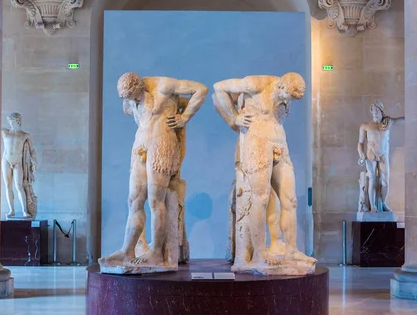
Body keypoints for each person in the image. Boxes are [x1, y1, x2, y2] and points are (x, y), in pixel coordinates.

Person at [101, 72, 207, 268]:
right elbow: (132, 111)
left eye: (134, 96)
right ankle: (127, 250)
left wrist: (184, 117)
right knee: (134, 200)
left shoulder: (164, 85)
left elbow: (201, 89)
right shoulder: (130, 100)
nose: (133, 101)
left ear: (140, 86)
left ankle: (157, 252)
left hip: (162, 144)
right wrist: (130, 102)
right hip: (140, 146)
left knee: (156, 200)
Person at [213, 73, 315, 269]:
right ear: (281, 87)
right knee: (260, 198)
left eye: (291, 100)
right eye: (286, 97)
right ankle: (260, 253)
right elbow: (219, 87)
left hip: (280, 144)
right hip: (257, 143)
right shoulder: (256, 84)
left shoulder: (287, 97)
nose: (287, 102)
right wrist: (235, 118)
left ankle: (291, 251)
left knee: (290, 201)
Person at [357, 101, 404, 212]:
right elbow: (360, 143)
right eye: (373, 110)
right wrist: (361, 155)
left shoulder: (387, 122)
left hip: (383, 154)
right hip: (371, 154)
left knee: (385, 181)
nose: (375, 112)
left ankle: (383, 202)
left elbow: (400, 120)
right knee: (372, 179)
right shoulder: (366, 126)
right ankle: (373, 205)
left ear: (381, 111)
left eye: (377, 110)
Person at [1, 112, 37, 218]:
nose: (16, 122)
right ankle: (11, 210)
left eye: (17, 120)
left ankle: (24, 211)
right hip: (6, 160)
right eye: (13, 120)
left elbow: (32, 150)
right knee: (8, 185)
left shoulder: (25, 135)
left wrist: (35, 162)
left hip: (17, 161)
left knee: (19, 185)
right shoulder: (5, 132)